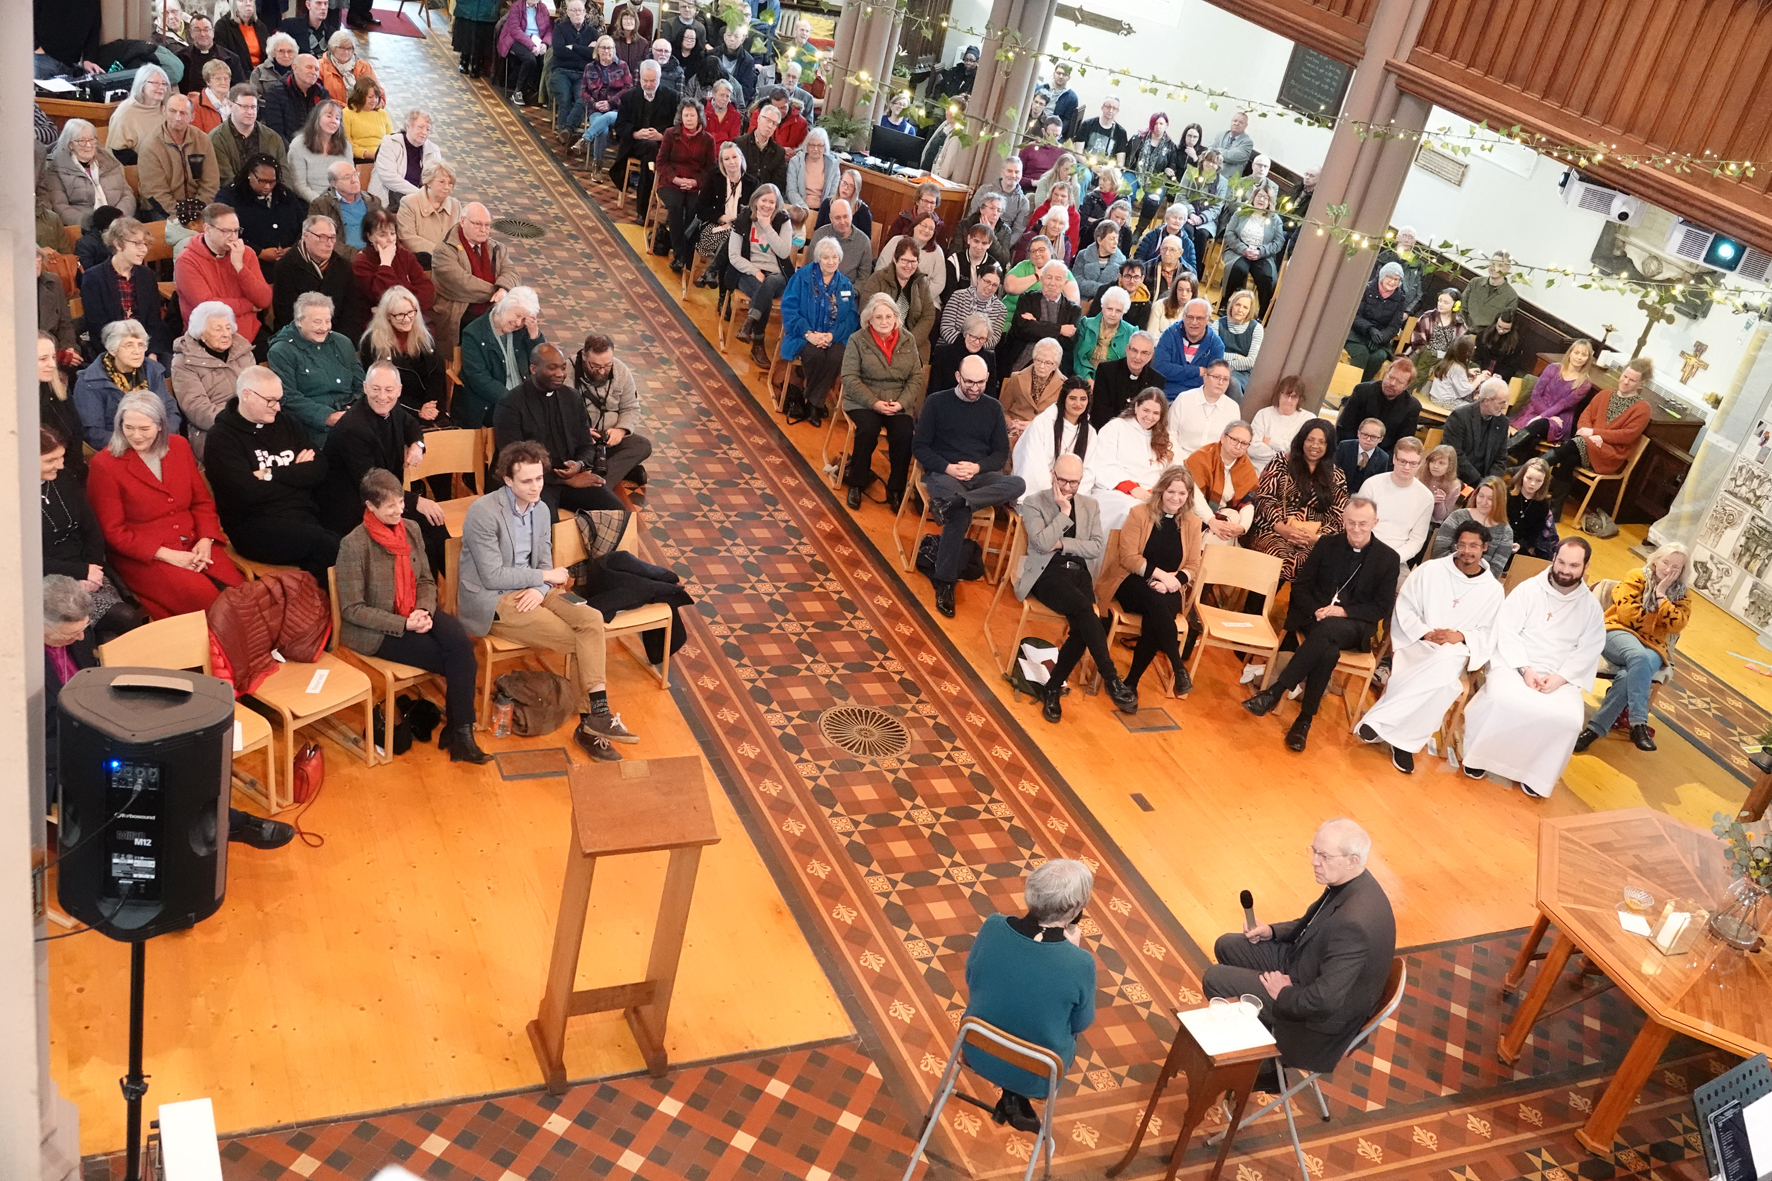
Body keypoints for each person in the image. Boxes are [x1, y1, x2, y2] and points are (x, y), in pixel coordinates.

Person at [459, 440, 638, 762]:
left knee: (591, 620)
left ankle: (597, 713)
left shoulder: (541, 509)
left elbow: (543, 563)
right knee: (581, 639)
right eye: (526, 481)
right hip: (494, 599)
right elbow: (493, 576)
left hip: (536, 589)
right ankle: (590, 724)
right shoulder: (483, 512)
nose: (535, 487)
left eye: (539, 478)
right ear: (508, 480)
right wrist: (541, 579)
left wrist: (540, 588)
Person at [1203, 818, 1395, 1083]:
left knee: (1216, 979)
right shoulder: (1353, 880)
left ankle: (1262, 1070)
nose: (1315, 861)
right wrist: (1272, 931)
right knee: (1226, 945)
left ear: (1351, 860)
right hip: (1305, 964)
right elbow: (1313, 923)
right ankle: (1254, 1038)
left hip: (1313, 1019)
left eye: (1324, 856)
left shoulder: (1355, 923)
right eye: (1314, 851)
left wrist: (1284, 992)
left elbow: (1324, 1001)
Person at [337, 467, 488, 763]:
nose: (399, 510)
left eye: (400, 502)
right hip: (378, 628)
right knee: (450, 657)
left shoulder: (412, 529)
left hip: (416, 610)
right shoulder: (353, 545)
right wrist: (404, 622)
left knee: (461, 644)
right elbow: (351, 609)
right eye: (390, 505)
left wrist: (422, 610)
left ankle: (461, 733)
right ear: (370, 506)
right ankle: (461, 737)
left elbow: (425, 580)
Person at [1243, 499, 1398, 751]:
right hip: (1316, 618)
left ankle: (1276, 691)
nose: (1356, 529)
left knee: (1329, 633)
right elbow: (1301, 585)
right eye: (1351, 523)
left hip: (1354, 625)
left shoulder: (1388, 558)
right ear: (1343, 521)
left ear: (1374, 523)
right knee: (1327, 651)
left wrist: (1343, 611)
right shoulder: (1327, 545)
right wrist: (1318, 611)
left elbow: (1380, 608)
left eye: (1363, 524)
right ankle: (1303, 721)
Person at [1461, 537, 1606, 796]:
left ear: (1585, 567)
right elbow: (1507, 630)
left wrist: (1560, 678)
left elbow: (1588, 650)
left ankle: (1535, 775)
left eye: (1573, 565)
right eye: (1561, 562)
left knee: (1569, 721)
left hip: (1560, 675)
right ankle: (1479, 759)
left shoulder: (1591, 608)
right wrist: (1525, 669)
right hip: (1516, 663)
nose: (1565, 570)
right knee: (1502, 700)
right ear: (1553, 558)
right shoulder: (1529, 590)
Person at [1356, 521, 1504, 773]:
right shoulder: (1431, 570)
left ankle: (1381, 722)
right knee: (1444, 685)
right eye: (1463, 544)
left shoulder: (1493, 590)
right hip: (1418, 643)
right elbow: (1406, 605)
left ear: (1485, 548)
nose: (1467, 551)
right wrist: (1425, 632)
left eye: (1474, 546)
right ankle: (1405, 744)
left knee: (1446, 662)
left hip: (1456, 650)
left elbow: (1490, 632)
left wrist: (1460, 635)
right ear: (1455, 545)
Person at [961, 856, 1095, 1133]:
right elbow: (1081, 1023)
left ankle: (1011, 1096)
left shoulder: (993, 926)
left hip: (976, 1050)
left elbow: (971, 978)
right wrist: (1073, 951)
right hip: (1037, 1075)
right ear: (1075, 910)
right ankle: (1015, 1095)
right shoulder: (1080, 963)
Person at [87, 389, 246, 619]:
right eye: (128, 427)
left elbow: (201, 502)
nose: (136, 436)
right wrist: (168, 555)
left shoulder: (179, 446)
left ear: (161, 425)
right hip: (146, 556)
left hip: (193, 541)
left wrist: (206, 538)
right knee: (209, 602)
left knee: (242, 594)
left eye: (144, 428)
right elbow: (113, 532)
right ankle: (221, 653)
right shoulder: (104, 465)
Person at [1014, 453, 1139, 719]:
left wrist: (1061, 544)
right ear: (1052, 476)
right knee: (1087, 612)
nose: (1069, 488)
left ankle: (1051, 688)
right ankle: (1112, 678)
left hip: (1079, 573)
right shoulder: (1035, 503)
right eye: (1064, 481)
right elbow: (1039, 543)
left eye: (1075, 482)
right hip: (1047, 572)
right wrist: (1064, 513)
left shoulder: (1090, 505)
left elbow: (1094, 547)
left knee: (1084, 623)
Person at [206, 365, 340, 586]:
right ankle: (358, 612)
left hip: (302, 514)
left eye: (279, 400)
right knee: (329, 546)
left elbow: (319, 468)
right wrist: (298, 477)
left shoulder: (286, 423)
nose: (277, 408)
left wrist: (270, 473)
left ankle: (331, 614)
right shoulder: (221, 438)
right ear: (247, 396)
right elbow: (249, 492)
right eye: (271, 401)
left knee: (350, 537)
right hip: (254, 527)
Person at [912, 356, 1023, 616]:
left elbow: (999, 454)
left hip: (978, 474)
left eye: (981, 382)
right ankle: (945, 581)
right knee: (960, 515)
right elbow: (919, 447)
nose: (975, 388)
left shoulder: (993, 408)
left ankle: (958, 501)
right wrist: (949, 467)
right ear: (958, 377)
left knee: (1018, 483)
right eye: (970, 382)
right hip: (944, 472)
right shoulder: (936, 402)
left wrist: (977, 468)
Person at [318, 360, 448, 566]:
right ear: (365, 388)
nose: (382, 396)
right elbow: (371, 484)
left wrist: (417, 445)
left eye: (389, 390)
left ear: (399, 391)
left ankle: (450, 590)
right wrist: (417, 501)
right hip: (355, 506)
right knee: (425, 539)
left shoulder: (392, 409)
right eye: (376, 389)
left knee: (436, 523)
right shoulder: (353, 428)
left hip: (385, 497)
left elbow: (412, 424)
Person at [1576, 545, 1690, 753]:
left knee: (1629, 674)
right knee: (1638, 656)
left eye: (1675, 567)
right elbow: (1628, 615)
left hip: (1654, 646)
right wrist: (1657, 622)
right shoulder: (1636, 577)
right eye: (1665, 562)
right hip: (1619, 632)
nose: (1667, 570)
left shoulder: (1683, 595)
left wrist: (1661, 596)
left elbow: (1677, 624)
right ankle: (1639, 723)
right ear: (1656, 559)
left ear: (1682, 571)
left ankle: (1593, 730)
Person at [492, 344, 622, 515]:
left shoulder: (572, 397)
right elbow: (514, 462)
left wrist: (579, 464)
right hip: (530, 482)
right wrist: (566, 481)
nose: (560, 374)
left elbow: (586, 445)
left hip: (571, 478)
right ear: (533, 369)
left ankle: (589, 542)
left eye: (562, 367)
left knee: (617, 513)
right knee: (545, 523)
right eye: (552, 368)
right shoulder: (510, 404)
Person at [41, 424, 143, 639]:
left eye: (61, 457)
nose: (60, 466)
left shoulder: (64, 478)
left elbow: (91, 528)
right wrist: (80, 572)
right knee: (122, 617)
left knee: (115, 627)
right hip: (46, 576)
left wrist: (93, 568)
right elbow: (24, 560)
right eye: (50, 460)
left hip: (88, 567)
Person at [840, 294, 925, 512]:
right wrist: (874, 403)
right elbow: (849, 378)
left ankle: (895, 489)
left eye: (889, 316)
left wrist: (902, 403)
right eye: (878, 317)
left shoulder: (908, 340)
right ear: (869, 320)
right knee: (868, 429)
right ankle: (856, 483)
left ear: (897, 319)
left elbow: (916, 376)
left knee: (904, 434)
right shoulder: (857, 340)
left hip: (897, 400)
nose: (884, 321)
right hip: (864, 399)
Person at [1543, 356, 1654, 518]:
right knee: (1569, 459)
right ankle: (1555, 510)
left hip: (1609, 454)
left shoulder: (1643, 408)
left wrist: (1594, 433)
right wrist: (1588, 435)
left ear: (1641, 384)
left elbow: (1627, 436)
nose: (1625, 382)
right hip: (1586, 445)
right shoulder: (1604, 395)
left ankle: (1536, 465)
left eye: (1632, 380)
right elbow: (1584, 418)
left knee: (1573, 446)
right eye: (1624, 376)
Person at [1249, 418, 1347, 586]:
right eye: (1310, 439)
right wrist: (1284, 529)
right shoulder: (1281, 462)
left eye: (1321, 442)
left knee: (1312, 561)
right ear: (1302, 439)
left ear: (1329, 446)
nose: (1315, 446)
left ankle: (1297, 611)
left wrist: (1316, 538)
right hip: (1273, 530)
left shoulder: (1337, 475)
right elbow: (1263, 500)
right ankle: (1256, 607)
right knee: (1279, 557)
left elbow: (1338, 518)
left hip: (1314, 538)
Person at [779, 239, 860, 428]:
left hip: (834, 337)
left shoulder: (845, 285)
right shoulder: (802, 278)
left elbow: (850, 317)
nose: (831, 262)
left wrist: (831, 335)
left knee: (836, 356)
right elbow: (789, 309)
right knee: (815, 355)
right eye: (826, 257)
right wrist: (809, 334)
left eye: (834, 257)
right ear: (818, 259)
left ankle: (812, 401)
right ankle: (816, 404)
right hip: (803, 334)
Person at [267, 290, 364, 445]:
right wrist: (327, 417)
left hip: (351, 415)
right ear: (299, 321)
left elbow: (362, 384)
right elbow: (288, 398)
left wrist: (355, 410)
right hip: (311, 426)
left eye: (327, 321)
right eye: (317, 322)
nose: (324, 327)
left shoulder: (343, 342)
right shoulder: (281, 351)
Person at [72, 320, 183, 452]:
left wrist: (159, 438)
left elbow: (171, 411)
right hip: (117, 450)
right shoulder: (90, 382)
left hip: (157, 444)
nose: (137, 351)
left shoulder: (153, 371)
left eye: (141, 345)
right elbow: (93, 433)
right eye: (129, 345)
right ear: (112, 350)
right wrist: (136, 444)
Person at [80, 218, 176, 369]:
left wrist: (152, 353)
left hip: (144, 347)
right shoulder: (93, 278)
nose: (144, 249)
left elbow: (154, 322)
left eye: (145, 244)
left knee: (168, 368)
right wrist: (125, 354)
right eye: (137, 243)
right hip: (112, 350)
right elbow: (98, 326)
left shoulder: (146, 275)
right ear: (118, 244)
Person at [174, 201, 275, 345]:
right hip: (208, 335)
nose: (233, 237)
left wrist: (240, 267)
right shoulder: (187, 260)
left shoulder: (246, 253)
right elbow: (207, 306)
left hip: (248, 331)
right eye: (226, 231)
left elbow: (264, 300)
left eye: (236, 231)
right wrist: (248, 306)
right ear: (207, 229)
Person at [433, 203, 519, 360]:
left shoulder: (496, 248)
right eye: (478, 224)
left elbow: (512, 273)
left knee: (521, 325)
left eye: (487, 225)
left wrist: (504, 289)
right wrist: (497, 293)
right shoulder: (444, 251)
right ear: (463, 221)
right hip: (459, 315)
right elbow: (462, 284)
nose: (484, 229)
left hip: (494, 312)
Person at [171, 301, 256, 461]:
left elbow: (259, 390)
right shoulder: (184, 362)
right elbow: (197, 409)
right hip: (213, 430)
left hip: (252, 422)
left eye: (228, 327)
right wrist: (240, 421)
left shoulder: (243, 350)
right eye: (218, 329)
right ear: (201, 333)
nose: (226, 334)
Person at [360, 285, 450, 428]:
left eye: (411, 312)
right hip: (394, 411)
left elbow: (436, 377)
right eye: (400, 315)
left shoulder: (425, 337)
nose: (407, 319)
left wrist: (432, 407)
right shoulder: (371, 343)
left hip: (429, 409)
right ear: (388, 317)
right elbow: (378, 390)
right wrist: (418, 410)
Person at [573, 334, 652, 494]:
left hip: (608, 439)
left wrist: (621, 430)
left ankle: (599, 486)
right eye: (595, 366)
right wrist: (579, 432)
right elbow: (557, 412)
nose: (602, 371)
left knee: (642, 445)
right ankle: (619, 472)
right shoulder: (567, 372)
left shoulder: (621, 371)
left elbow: (631, 407)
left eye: (607, 365)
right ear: (583, 356)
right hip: (579, 440)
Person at [726, 184, 794, 368]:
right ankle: (757, 343)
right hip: (749, 272)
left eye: (772, 202)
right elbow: (733, 256)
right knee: (764, 294)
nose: (767, 205)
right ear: (755, 200)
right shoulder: (743, 219)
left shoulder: (783, 220)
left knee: (769, 284)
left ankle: (749, 323)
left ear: (777, 204)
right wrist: (754, 271)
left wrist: (767, 227)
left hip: (777, 275)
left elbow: (783, 252)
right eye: (763, 200)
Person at [458, 286, 544, 428]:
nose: (518, 323)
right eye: (517, 315)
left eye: (524, 319)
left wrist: (534, 336)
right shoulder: (473, 333)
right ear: (503, 307)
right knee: (530, 424)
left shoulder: (524, 330)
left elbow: (542, 362)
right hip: (491, 401)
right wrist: (513, 400)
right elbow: (478, 378)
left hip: (524, 396)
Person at [1092, 388, 1173, 535]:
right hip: (1117, 492)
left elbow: (1170, 472)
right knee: (1130, 510)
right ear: (1136, 407)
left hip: (1152, 495)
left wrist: (1155, 492)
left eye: (1156, 413)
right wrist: (1132, 488)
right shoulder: (1116, 427)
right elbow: (1104, 462)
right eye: (1146, 410)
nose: (1149, 417)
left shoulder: (1164, 437)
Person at [652, 99, 716, 274]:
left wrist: (696, 182)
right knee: (675, 206)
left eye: (692, 115)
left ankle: (687, 254)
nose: (688, 118)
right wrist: (676, 179)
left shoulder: (708, 140)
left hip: (695, 184)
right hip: (671, 182)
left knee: (694, 208)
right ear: (680, 117)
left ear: (699, 117)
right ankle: (679, 256)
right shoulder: (670, 134)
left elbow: (710, 168)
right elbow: (661, 162)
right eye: (685, 115)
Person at [611, 60, 680, 224]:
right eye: (645, 81)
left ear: (659, 78)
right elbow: (619, 125)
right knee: (650, 152)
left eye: (652, 81)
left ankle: (644, 211)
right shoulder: (629, 97)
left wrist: (662, 136)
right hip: (635, 145)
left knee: (652, 153)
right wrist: (636, 133)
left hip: (663, 144)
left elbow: (678, 126)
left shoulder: (672, 97)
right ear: (639, 79)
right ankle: (647, 208)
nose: (648, 85)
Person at [137, 94, 220, 223]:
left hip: (200, 206)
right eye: (172, 111)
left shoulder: (203, 139)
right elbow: (155, 192)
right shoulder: (150, 146)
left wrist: (197, 209)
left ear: (192, 117)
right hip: (162, 209)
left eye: (183, 113)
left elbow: (211, 182)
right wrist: (181, 215)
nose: (178, 117)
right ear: (164, 111)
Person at [1508, 339, 1595, 460]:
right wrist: (1545, 415)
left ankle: (1504, 452)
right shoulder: (1552, 368)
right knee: (1534, 438)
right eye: (1577, 353)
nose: (1579, 357)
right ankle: (1520, 470)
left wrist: (1543, 417)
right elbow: (1535, 395)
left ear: (1588, 359)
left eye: (1584, 355)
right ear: (1570, 353)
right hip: (1537, 411)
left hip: (1559, 419)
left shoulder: (1584, 383)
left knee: (1539, 425)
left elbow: (1562, 405)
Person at [40, 121, 136, 226]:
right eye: (82, 141)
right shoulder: (56, 167)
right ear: (70, 144)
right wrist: (90, 223)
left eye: (92, 139)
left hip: (121, 223)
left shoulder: (109, 161)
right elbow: (59, 205)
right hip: (85, 227)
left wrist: (119, 217)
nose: (89, 145)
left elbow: (127, 194)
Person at [1013, 379, 1095, 502]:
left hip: (1071, 497)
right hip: (1040, 494)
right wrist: (1054, 495)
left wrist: (1071, 498)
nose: (1078, 403)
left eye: (1083, 399)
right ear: (1063, 399)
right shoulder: (1042, 423)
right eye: (1072, 398)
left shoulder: (1090, 432)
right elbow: (1033, 465)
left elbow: (1089, 470)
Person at [1357, 436, 1432, 565]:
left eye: (1413, 463)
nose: (1407, 467)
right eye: (1402, 461)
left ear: (1420, 464)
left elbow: (1417, 540)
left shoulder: (1426, 497)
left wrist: (1393, 558)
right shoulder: (1372, 484)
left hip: (1396, 559)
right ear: (1394, 459)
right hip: (1362, 551)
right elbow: (1357, 524)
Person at [217, 153, 306, 261]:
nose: (267, 186)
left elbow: (303, 225)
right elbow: (224, 232)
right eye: (262, 181)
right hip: (246, 260)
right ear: (250, 175)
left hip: (289, 261)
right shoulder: (229, 197)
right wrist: (259, 252)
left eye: (272, 182)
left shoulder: (285, 194)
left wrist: (294, 248)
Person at [1186, 419, 1257, 551]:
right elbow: (1193, 496)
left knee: (1233, 519)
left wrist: (1242, 528)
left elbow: (1247, 503)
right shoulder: (1200, 458)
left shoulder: (1246, 467)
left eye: (1244, 444)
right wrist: (1212, 522)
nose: (1238, 446)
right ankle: (1208, 560)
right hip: (1193, 512)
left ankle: (1205, 557)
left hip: (1222, 516)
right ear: (1223, 437)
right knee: (1225, 526)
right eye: (1234, 440)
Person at [1003, 261, 1081, 374]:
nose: (1052, 283)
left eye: (1058, 279)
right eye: (1049, 277)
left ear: (1065, 283)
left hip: (1056, 364)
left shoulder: (1073, 310)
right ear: (1042, 279)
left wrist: (1037, 324)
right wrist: (1059, 329)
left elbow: (1067, 342)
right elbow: (1022, 330)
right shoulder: (1027, 298)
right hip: (1023, 358)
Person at [857, 237, 939, 345]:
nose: (909, 266)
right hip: (879, 338)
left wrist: (910, 340)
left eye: (913, 262)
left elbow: (928, 316)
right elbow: (866, 309)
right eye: (904, 260)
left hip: (911, 341)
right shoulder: (878, 278)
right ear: (895, 259)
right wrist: (886, 337)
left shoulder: (922, 283)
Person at [208, 86, 291, 190]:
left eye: (253, 107)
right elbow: (225, 179)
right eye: (244, 107)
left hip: (270, 195)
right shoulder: (217, 138)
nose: (250, 112)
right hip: (234, 197)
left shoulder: (272, 137)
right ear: (230, 105)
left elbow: (284, 175)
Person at [1221, 185, 1285, 318]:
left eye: (1266, 198)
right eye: (1259, 196)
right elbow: (1229, 234)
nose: (1262, 199)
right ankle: (1224, 303)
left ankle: (1263, 315)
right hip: (1238, 251)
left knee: (1267, 277)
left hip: (1263, 255)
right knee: (1238, 269)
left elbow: (1278, 242)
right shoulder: (1241, 212)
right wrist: (1243, 249)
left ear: (1270, 202)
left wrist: (1260, 252)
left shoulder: (1275, 220)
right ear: (1254, 197)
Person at [1430, 475, 1512, 577]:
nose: (1483, 502)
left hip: (1478, 582)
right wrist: (1458, 572)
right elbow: (1440, 550)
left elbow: (1496, 568)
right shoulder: (1458, 516)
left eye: (1490, 499)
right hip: (1446, 573)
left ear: (1499, 501)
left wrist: (1473, 577)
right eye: (1481, 496)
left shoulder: (1505, 531)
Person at [1336, 357, 1418, 454]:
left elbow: (1402, 445)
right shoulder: (1362, 391)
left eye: (1399, 382)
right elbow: (1345, 427)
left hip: (1384, 458)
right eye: (1390, 377)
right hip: (1352, 449)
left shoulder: (1412, 407)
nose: (1392, 383)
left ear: (1406, 386)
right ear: (1385, 374)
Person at [1343, 263, 1409, 381]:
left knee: (1379, 357)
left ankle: (1362, 387)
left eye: (1396, 279)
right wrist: (1370, 329)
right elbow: (1355, 315)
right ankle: (1350, 387)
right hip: (1358, 335)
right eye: (1390, 277)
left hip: (1380, 341)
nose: (1392, 282)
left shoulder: (1400, 298)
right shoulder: (1366, 289)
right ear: (1382, 276)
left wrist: (1381, 338)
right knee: (1361, 354)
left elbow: (1394, 326)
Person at [574, 36, 634, 163]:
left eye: (610, 48)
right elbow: (583, 91)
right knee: (603, 130)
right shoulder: (590, 67)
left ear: (614, 50)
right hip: (596, 109)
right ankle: (597, 165)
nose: (607, 51)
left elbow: (628, 89)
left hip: (617, 110)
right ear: (597, 50)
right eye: (604, 48)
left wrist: (610, 103)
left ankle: (585, 139)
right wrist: (594, 104)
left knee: (607, 118)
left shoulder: (622, 66)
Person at [1151, 298, 1224, 400]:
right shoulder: (1169, 335)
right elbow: (1160, 369)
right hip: (1166, 396)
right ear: (1183, 316)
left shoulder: (1216, 345)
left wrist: (1175, 375)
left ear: (1208, 319)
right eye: (1190, 317)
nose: (1194, 322)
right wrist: (1197, 371)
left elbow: (1212, 381)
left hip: (1197, 399)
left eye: (1199, 318)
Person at [368, 109, 443, 209]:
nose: (424, 132)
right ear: (408, 126)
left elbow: (436, 179)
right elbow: (389, 178)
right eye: (420, 127)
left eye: (428, 129)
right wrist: (420, 194)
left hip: (418, 201)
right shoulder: (390, 143)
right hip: (387, 200)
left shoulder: (433, 150)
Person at [1444, 377, 1511, 486]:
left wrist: (1490, 483)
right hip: (1456, 477)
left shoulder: (1503, 422)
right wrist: (1479, 482)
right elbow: (1455, 455)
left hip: (1484, 481)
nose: (1504, 407)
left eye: (1506, 402)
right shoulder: (1460, 416)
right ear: (1487, 401)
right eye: (1501, 403)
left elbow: (1500, 458)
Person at [1169, 359, 1239, 460]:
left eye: (1225, 379)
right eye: (1216, 377)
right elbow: (1170, 434)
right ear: (1205, 377)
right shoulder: (1184, 399)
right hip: (1179, 458)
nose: (1220, 382)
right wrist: (1180, 460)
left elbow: (1230, 444)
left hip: (1213, 464)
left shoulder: (1233, 408)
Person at [1001, 338, 1065, 446]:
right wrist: (1010, 423)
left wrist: (1033, 426)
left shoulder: (1064, 386)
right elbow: (1002, 409)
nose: (1042, 366)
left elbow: (1063, 421)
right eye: (1038, 360)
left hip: (1044, 437)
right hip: (1014, 433)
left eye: (1048, 362)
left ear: (1056, 364)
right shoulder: (1016, 378)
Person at [105, 66, 174, 165]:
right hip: (135, 168)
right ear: (142, 85)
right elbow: (119, 152)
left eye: (164, 84)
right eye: (155, 83)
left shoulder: (168, 108)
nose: (161, 87)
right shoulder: (126, 112)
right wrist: (150, 163)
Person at [930, 313, 1000, 409]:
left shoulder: (989, 358)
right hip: (946, 406)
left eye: (982, 339)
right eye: (973, 337)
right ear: (965, 333)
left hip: (977, 409)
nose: (977, 342)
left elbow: (990, 393)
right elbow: (934, 390)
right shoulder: (944, 353)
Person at [396, 162, 461, 264]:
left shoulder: (455, 205)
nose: (447, 187)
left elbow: (459, 237)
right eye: (442, 182)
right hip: (419, 260)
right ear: (428, 182)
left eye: (450, 183)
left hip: (450, 260)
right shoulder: (409, 202)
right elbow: (407, 237)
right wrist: (439, 253)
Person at [1089, 331, 1157, 428]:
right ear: (1127, 349)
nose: (1137, 357)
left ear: (1150, 355)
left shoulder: (1156, 380)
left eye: (1144, 353)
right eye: (1134, 350)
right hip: (1108, 430)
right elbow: (1100, 412)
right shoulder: (1106, 371)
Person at [287, 99, 350, 201]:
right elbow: (299, 185)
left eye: (338, 118)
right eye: (329, 116)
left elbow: (350, 179)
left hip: (341, 201)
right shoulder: (298, 145)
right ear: (317, 118)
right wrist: (323, 204)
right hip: (311, 203)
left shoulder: (345, 146)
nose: (334, 121)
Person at [1248, 374, 1310, 470]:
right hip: (1256, 470)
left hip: (1286, 475)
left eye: (1294, 397)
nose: (1289, 400)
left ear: (1299, 399)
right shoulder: (1263, 414)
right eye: (1286, 395)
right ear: (1279, 394)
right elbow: (1252, 449)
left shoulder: (1308, 419)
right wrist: (1286, 455)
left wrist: (1271, 442)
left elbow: (1300, 453)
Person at [1072, 287, 1132, 385]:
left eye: (1118, 311)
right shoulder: (1086, 324)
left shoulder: (1131, 332)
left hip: (1113, 384)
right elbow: (1077, 357)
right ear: (1102, 307)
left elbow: (1127, 367)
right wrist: (1088, 380)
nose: (1113, 314)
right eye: (1109, 309)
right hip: (1083, 381)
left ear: (1124, 312)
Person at [262, 53, 326, 143]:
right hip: (288, 148)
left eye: (316, 69)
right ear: (295, 68)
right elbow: (276, 131)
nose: (313, 72)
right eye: (309, 67)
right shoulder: (275, 92)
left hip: (317, 148)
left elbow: (326, 128)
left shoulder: (323, 93)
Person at [808, 198, 874, 286]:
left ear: (851, 215)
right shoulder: (820, 235)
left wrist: (849, 293)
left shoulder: (864, 241)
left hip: (848, 291)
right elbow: (811, 267)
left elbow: (864, 278)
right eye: (837, 218)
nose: (842, 222)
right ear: (831, 218)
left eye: (845, 216)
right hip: (819, 288)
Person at [497, 0, 551, 107]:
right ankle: (518, 91)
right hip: (515, 39)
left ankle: (541, 94)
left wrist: (545, 43)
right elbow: (514, 30)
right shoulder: (517, 6)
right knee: (529, 59)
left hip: (537, 40)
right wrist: (531, 45)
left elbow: (549, 29)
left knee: (547, 58)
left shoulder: (543, 8)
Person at [1214, 290, 1263, 401]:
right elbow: (1214, 355)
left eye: (1245, 307)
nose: (1240, 310)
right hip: (1217, 369)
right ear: (1232, 305)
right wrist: (1236, 356)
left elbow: (1251, 362)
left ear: (1250, 310)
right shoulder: (1218, 324)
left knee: (1231, 382)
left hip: (1242, 374)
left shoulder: (1256, 328)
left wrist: (1226, 363)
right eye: (1238, 305)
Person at [968, 157, 1030, 241]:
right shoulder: (984, 190)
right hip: (976, 237)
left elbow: (1018, 231)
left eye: (1017, 172)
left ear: (1021, 174)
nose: (1013, 175)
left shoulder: (1023, 202)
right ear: (1002, 172)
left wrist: (1003, 247)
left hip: (1001, 242)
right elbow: (971, 216)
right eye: (1009, 171)